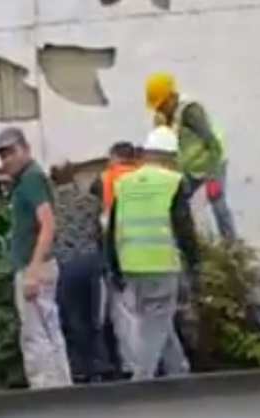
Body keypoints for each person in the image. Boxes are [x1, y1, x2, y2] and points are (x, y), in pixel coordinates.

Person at [0, 127, 72, 388]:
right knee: (48, 330)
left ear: (26, 150)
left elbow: (48, 224)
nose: (7, 160)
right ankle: (62, 388)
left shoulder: (31, 180)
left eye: (11, 153)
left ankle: (46, 391)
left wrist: (33, 270)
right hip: (38, 265)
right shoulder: (26, 178)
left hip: (34, 266)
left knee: (35, 335)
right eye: (2, 156)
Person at [105, 126, 199, 381]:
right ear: (170, 157)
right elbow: (184, 228)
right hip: (160, 264)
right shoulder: (172, 182)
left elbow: (112, 229)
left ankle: (179, 374)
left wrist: (113, 268)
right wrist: (195, 264)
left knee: (158, 322)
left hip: (131, 265)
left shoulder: (124, 184)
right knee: (153, 325)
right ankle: (141, 382)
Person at [145, 72, 236, 241]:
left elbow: (212, 143)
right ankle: (187, 240)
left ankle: (231, 243)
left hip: (212, 165)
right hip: (191, 167)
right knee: (178, 200)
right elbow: (166, 145)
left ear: (170, 98)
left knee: (217, 202)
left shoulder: (191, 112)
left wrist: (210, 174)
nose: (158, 110)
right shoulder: (166, 117)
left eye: (161, 105)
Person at [50, 163, 114, 383]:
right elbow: (100, 231)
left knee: (71, 317)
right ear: (74, 178)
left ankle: (79, 366)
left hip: (65, 265)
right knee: (92, 316)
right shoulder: (91, 202)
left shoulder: (50, 205)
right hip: (91, 263)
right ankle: (99, 363)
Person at [90, 142, 141, 378]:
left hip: (119, 252)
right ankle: (153, 361)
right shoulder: (146, 178)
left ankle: (133, 366)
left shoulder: (105, 180)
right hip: (152, 254)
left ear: (114, 157)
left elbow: (97, 219)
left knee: (124, 313)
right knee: (150, 314)